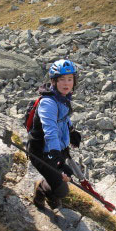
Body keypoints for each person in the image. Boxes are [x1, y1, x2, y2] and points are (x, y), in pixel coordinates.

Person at [27, 59, 82, 210]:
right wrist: (57, 156)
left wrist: (71, 131)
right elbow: (50, 130)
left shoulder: (61, 98)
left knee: (60, 180)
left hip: (55, 149)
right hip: (42, 153)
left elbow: (63, 117)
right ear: (54, 81)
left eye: (70, 79)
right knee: (62, 189)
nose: (66, 83)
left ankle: (50, 192)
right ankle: (41, 190)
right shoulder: (48, 103)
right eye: (62, 79)